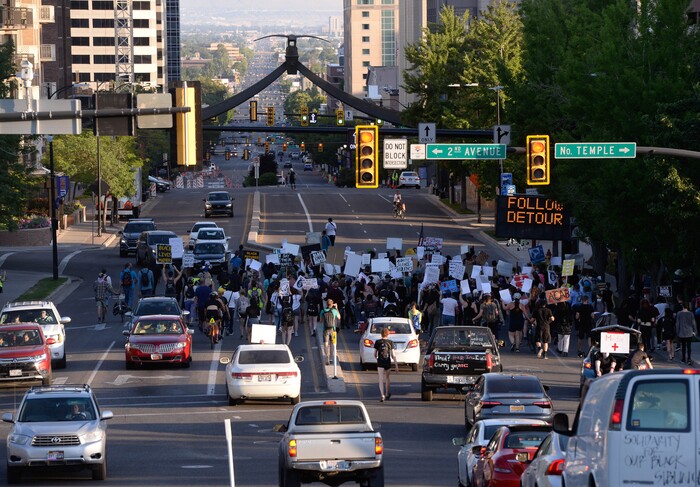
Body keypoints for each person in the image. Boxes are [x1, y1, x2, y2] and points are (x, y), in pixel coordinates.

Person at [374, 327, 398, 402]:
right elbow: (393, 355)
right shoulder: (390, 342)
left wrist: (377, 358)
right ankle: (387, 393)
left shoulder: (377, 342)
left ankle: (382, 395)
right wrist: (396, 365)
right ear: (388, 334)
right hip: (387, 362)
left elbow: (374, 354)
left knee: (380, 379)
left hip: (380, 362)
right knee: (387, 378)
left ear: (381, 334)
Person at [321, 298, 340, 365]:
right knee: (332, 344)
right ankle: (331, 358)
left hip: (325, 329)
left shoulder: (323, 311)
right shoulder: (334, 311)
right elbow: (339, 317)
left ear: (327, 304)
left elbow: (320, 321)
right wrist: (337, 308)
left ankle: (327, 356)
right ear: (332, 304)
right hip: (333, 330)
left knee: (326, 344)